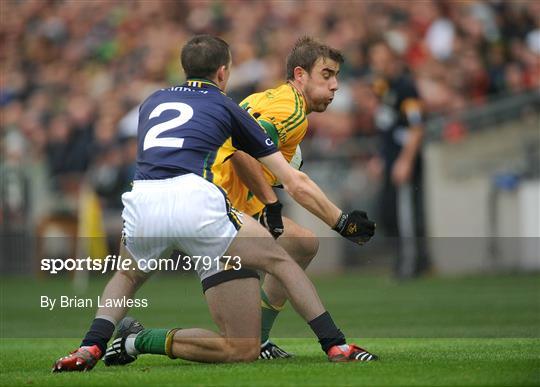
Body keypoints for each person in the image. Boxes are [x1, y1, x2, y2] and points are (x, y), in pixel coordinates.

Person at [52, 35, 377, 372]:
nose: (335, 85)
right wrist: (326, 217)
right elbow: (266, 164)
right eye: (327, 75)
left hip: (143, 199)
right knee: (284, 259)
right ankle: (335, 344)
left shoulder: (152, 100)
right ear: (223, 72)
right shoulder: (231, 105)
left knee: (127, 276)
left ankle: (93, 345)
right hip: (201, 202)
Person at [214, 36, 349, 359]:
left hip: (237, 200)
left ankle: (259, 340)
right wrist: (274, 202)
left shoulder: (271, 98)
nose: (335, 86)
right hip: (218, 206)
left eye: (336, 77)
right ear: (300, 75)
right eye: (327, 75)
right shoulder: (291, 113)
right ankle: (136, 339)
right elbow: (243, 148)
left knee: (302, 243)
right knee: (234, 346)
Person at [368, 40, 430, 278]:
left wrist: (405, 161)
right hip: (390, 158)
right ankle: (402, 260)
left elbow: (417, 127)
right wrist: (380, 157)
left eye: (381, 59)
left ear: (393, 60)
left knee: (406, 213)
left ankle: (412, 264)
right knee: (388, 212)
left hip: (405, 160)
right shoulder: (382, 87)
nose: (377, 64)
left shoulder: (406, 87)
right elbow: (386, 128)